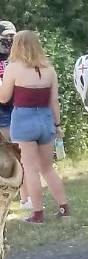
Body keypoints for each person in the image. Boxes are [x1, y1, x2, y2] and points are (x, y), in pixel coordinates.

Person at [0, 30, 69, 223]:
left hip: (24, 119)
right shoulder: (49, 69)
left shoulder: (14, 68)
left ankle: (37, 213)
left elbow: (4, 98)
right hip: (45, 119)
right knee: (47, 168)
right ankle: (64, 207)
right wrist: (57, 125)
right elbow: (54, 102)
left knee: (30, 169)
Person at [0, 21, 31, 209]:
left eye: (12, 36)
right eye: (5, 37)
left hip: (18, 111)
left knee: (19, 154)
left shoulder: (19, 58)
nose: (9, 40)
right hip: (4, 112)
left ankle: (26, 198)